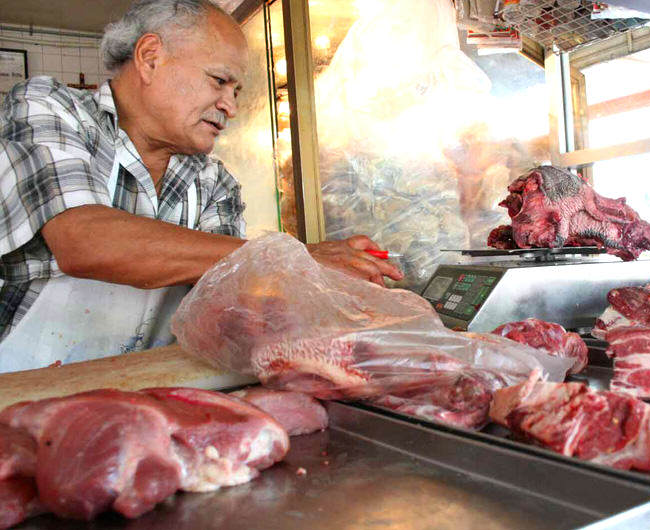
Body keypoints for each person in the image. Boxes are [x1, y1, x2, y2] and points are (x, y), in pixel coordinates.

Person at [0, 0, 402, 372]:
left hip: (143, 391)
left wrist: (330, 296)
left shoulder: (214, 182)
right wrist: (294, 256)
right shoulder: (49, 108)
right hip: (23, 386)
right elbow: (86, 241)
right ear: (150, 57)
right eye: (219, 81)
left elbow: (225, 303)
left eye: (237, 91)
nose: (231, 105)